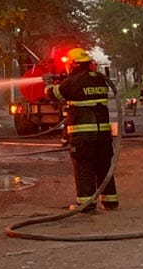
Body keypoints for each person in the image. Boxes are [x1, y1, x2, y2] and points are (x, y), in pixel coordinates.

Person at [44, 48, 118, 212]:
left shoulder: (73, 82)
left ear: (73, 64)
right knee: (104, 166)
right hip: (103, 135)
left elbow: (54, 95)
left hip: (83, 136)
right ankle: (110, 201)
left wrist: (48, 83)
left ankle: (86, 204)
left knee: (84, 167)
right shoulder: (100, 80)